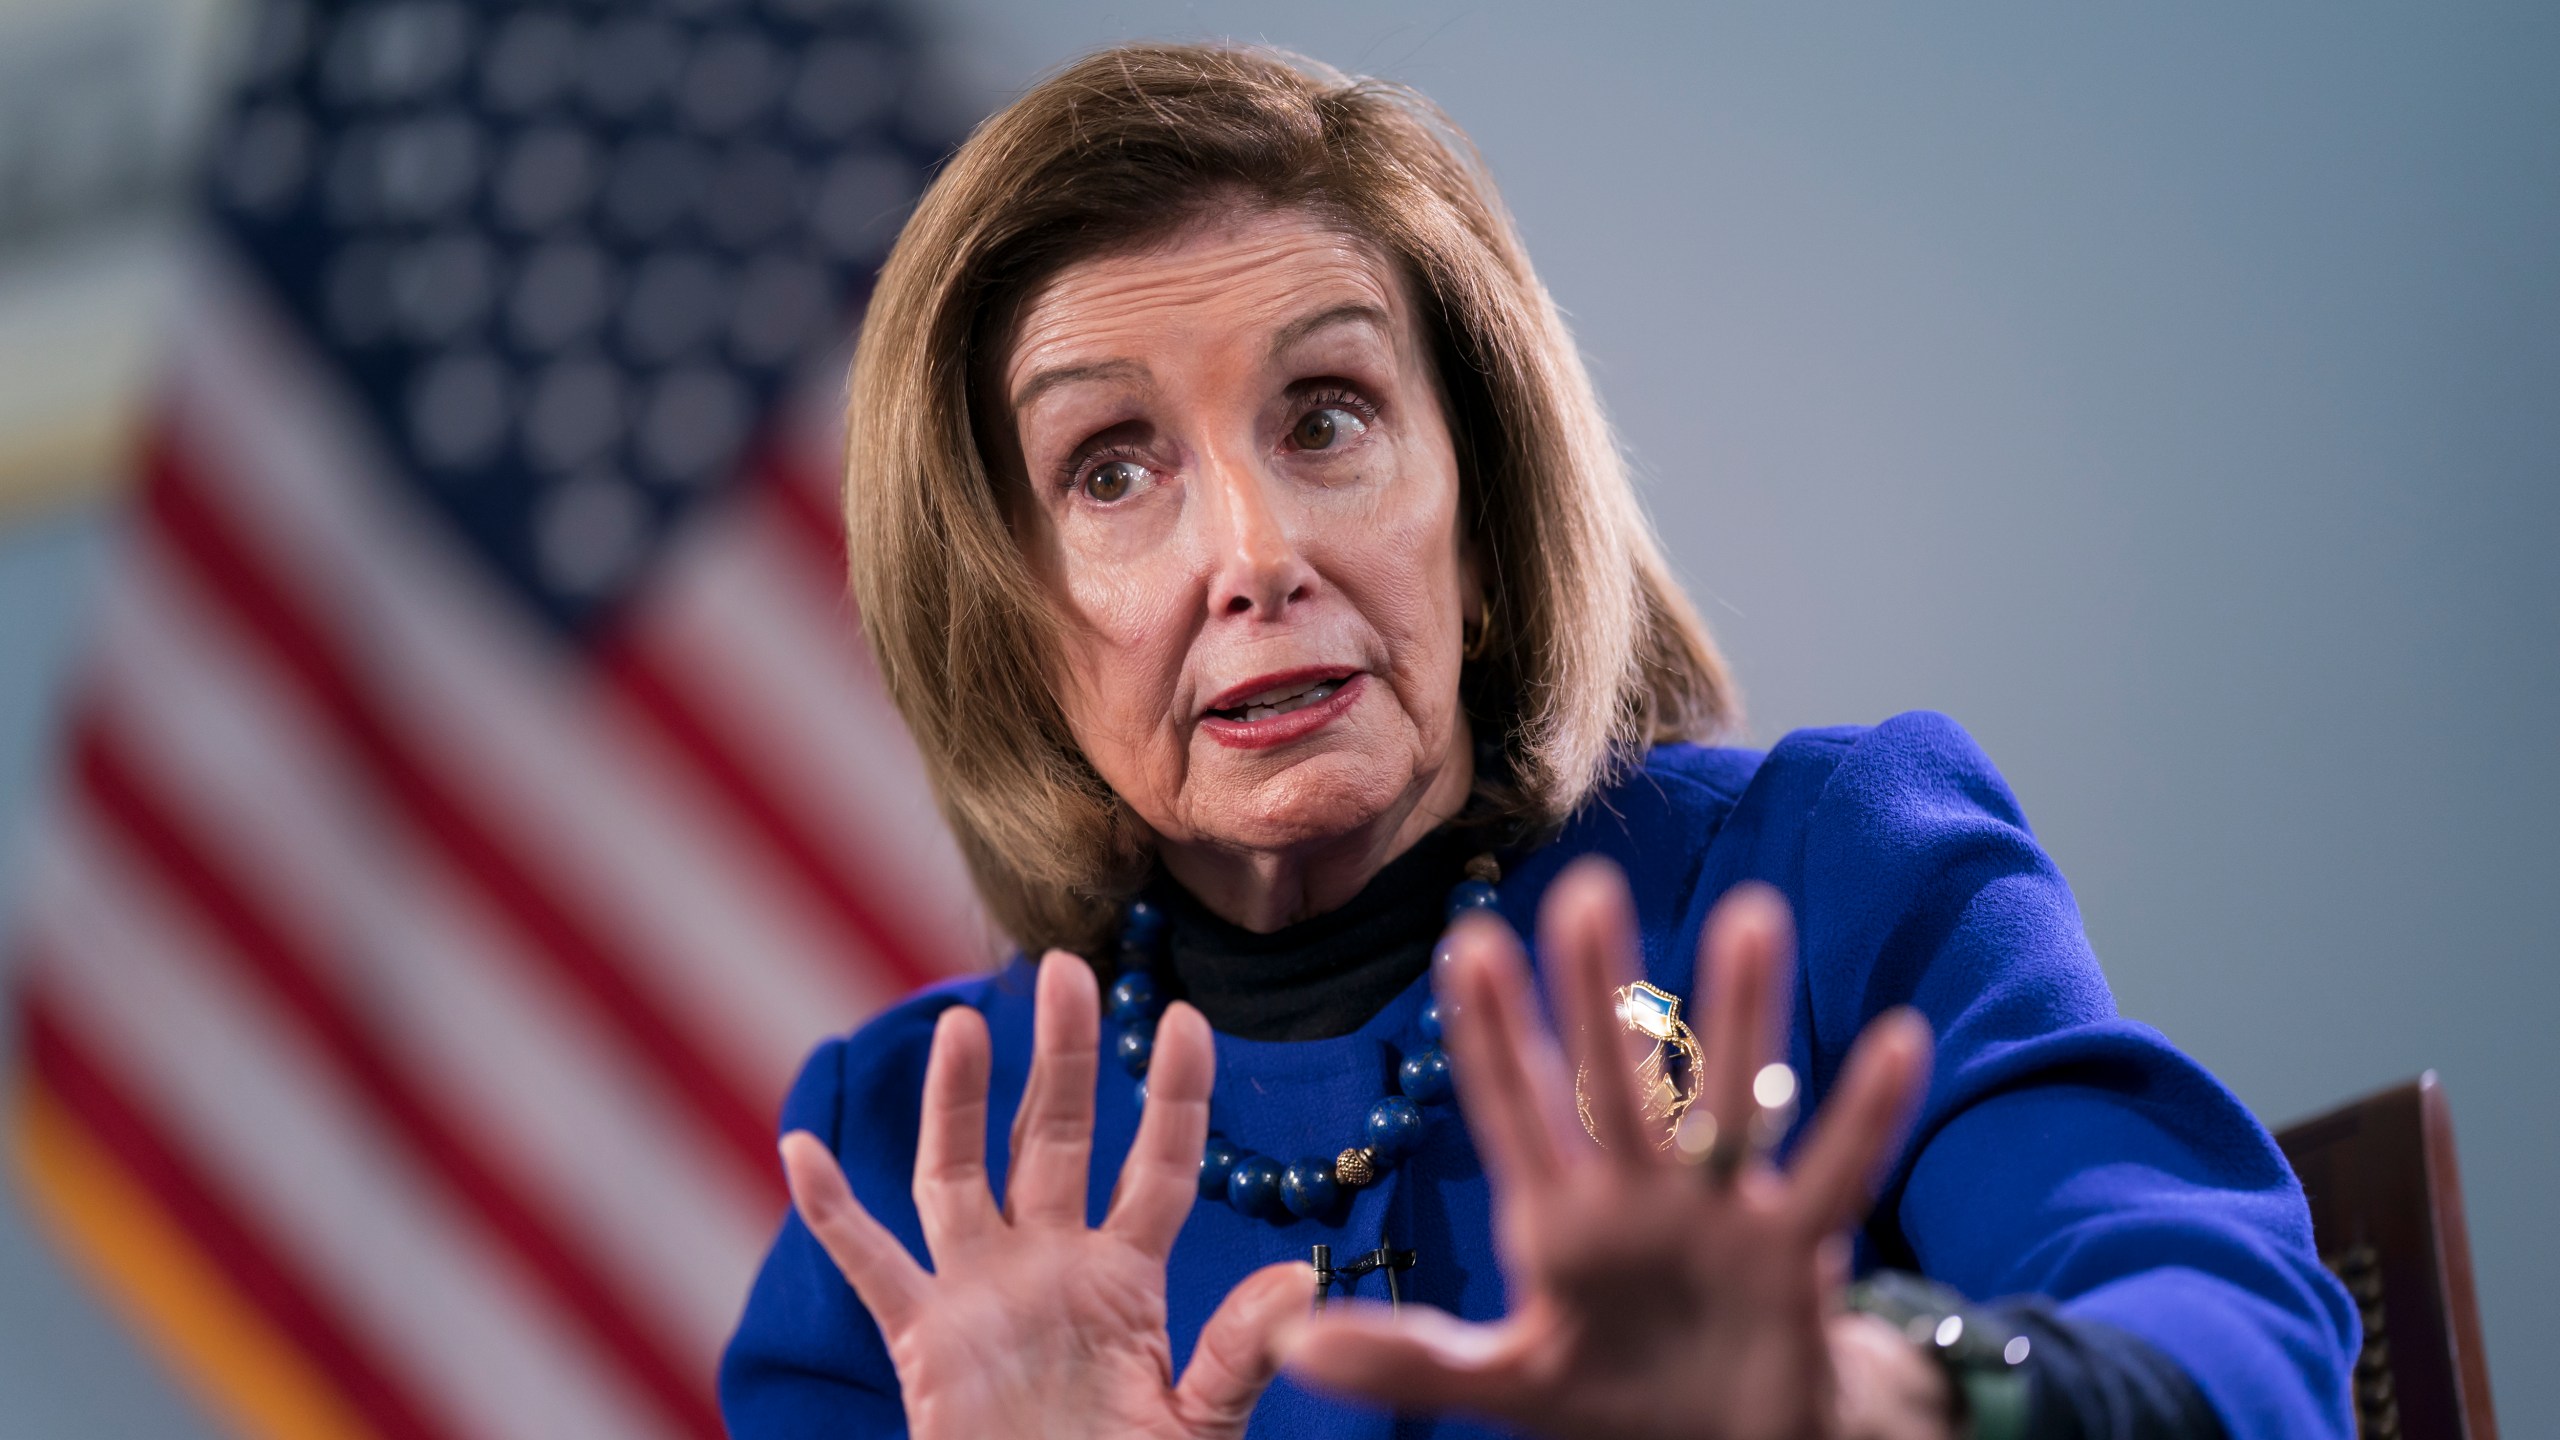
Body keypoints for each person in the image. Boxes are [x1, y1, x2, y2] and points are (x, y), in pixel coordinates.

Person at [719, 43, 2356, 1440]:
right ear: (1000, 624)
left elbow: (2249, 1346)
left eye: (1326, 417)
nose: (1253, 549)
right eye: (1109, 469)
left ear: (1485, 526)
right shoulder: (903, 1163)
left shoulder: (1833, 879)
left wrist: (1876, 1393)